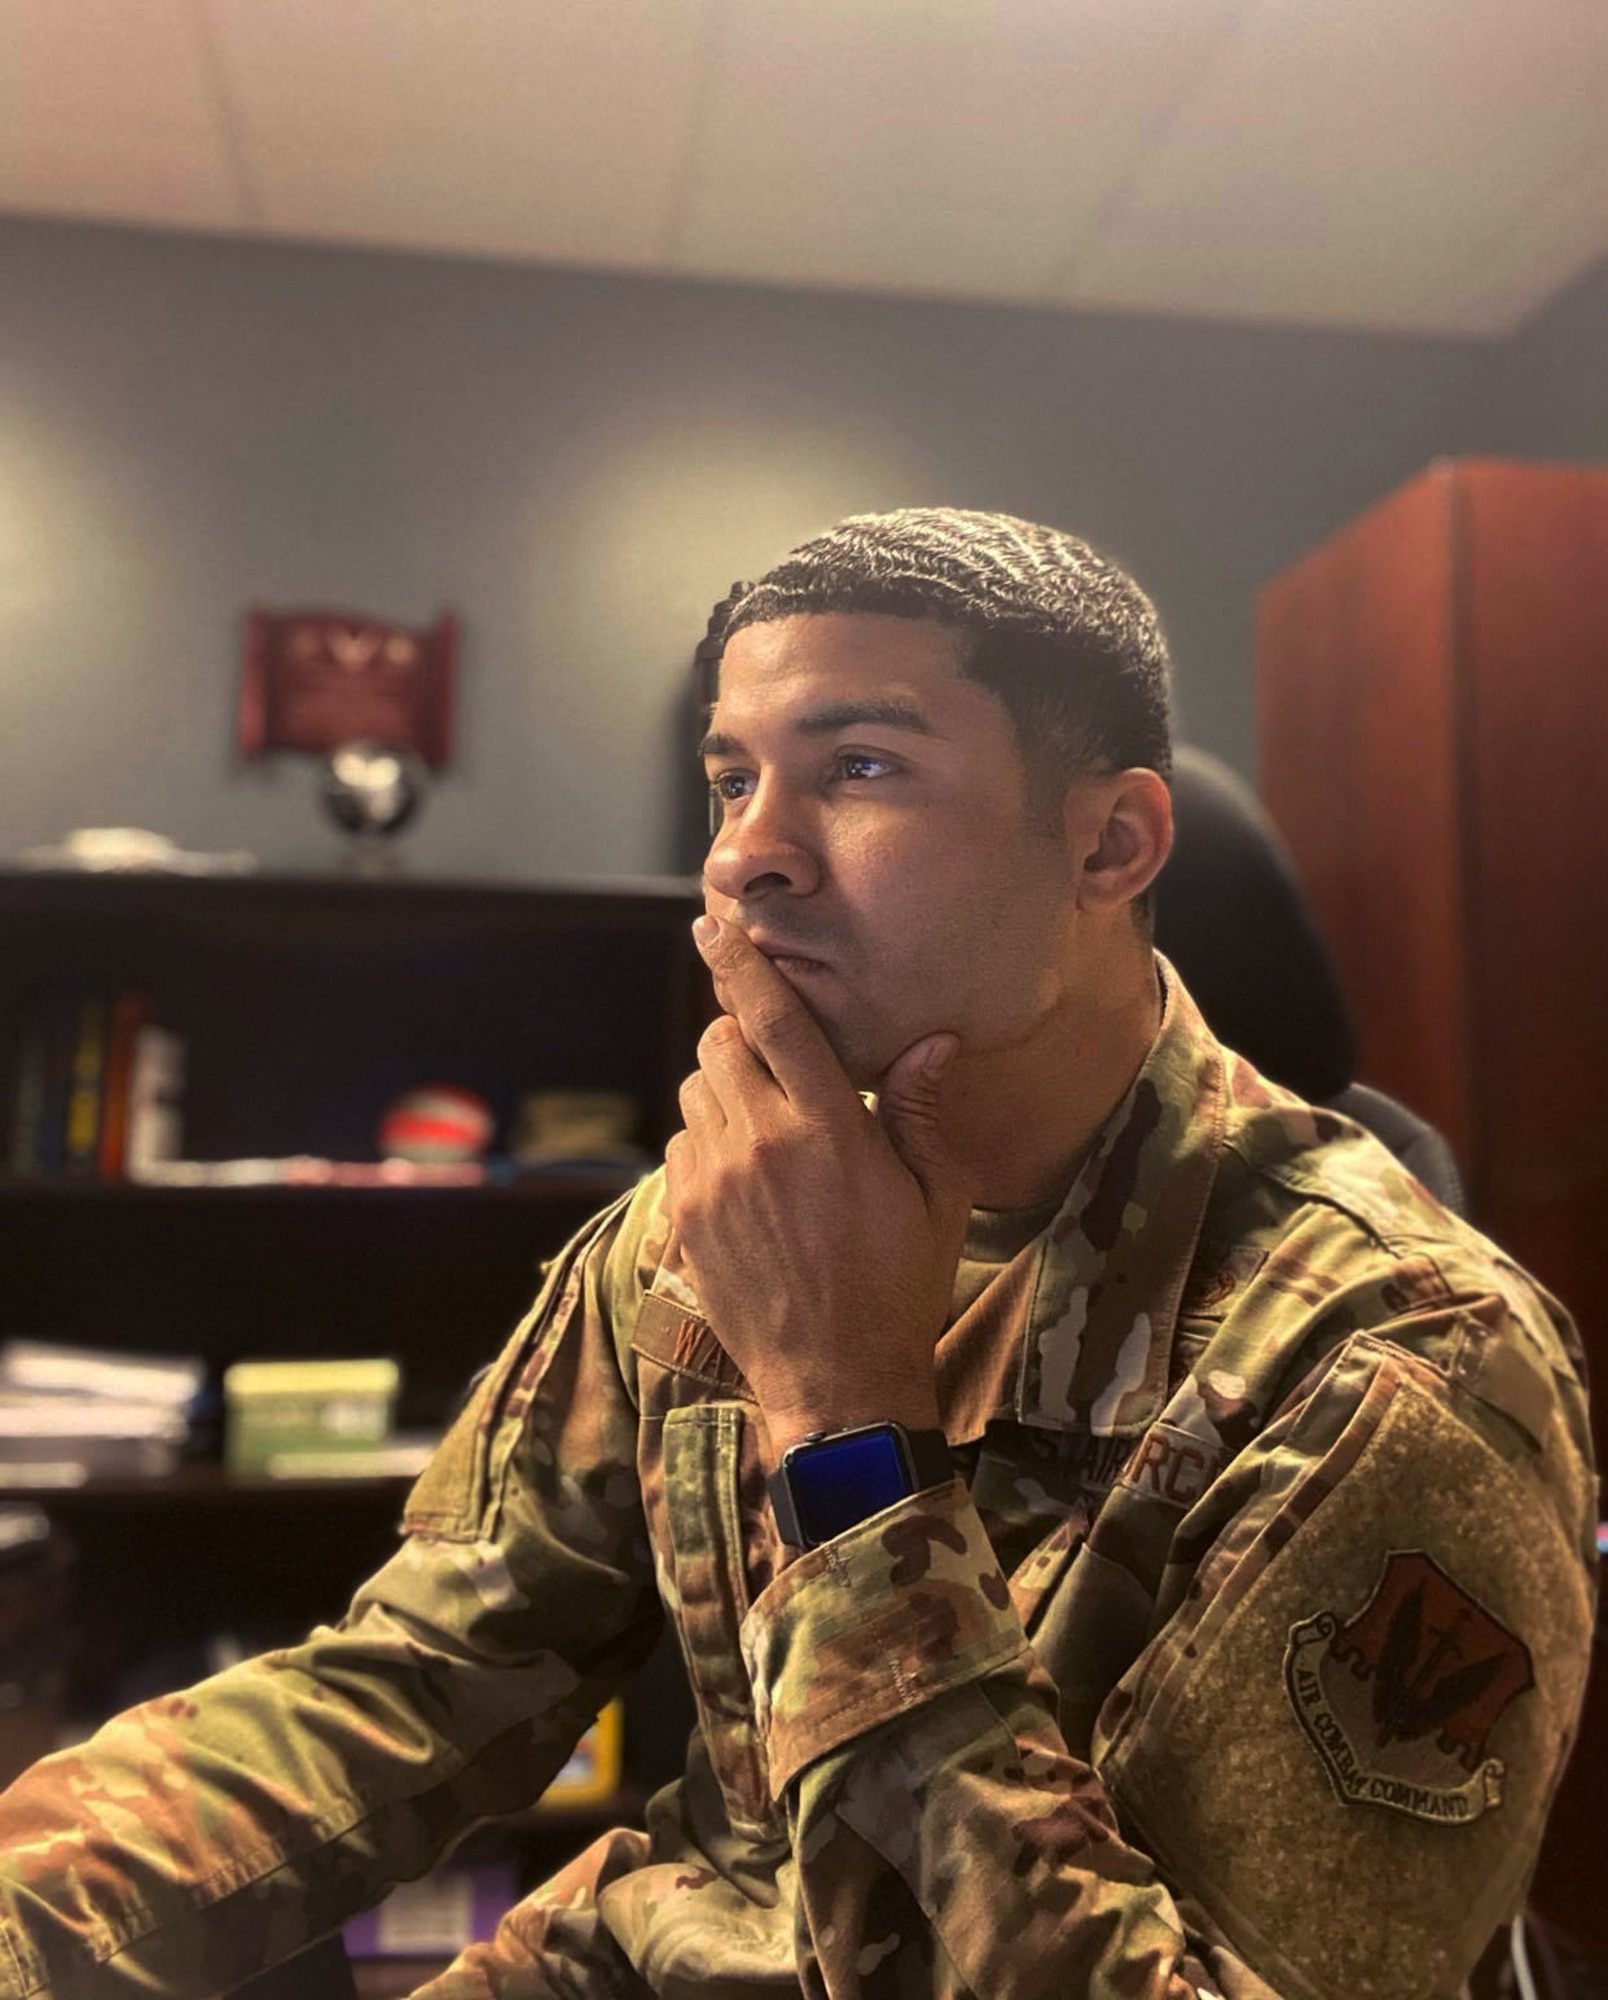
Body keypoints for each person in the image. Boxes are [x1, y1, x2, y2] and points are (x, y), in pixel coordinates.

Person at [0, 509, 1595, 2000]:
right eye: (729, 782)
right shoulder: (711, 1220)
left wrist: (847, 1431)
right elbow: (421, 1679)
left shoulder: (1403, 1361)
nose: (744, 856)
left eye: (863, 768)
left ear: (1111, 847)